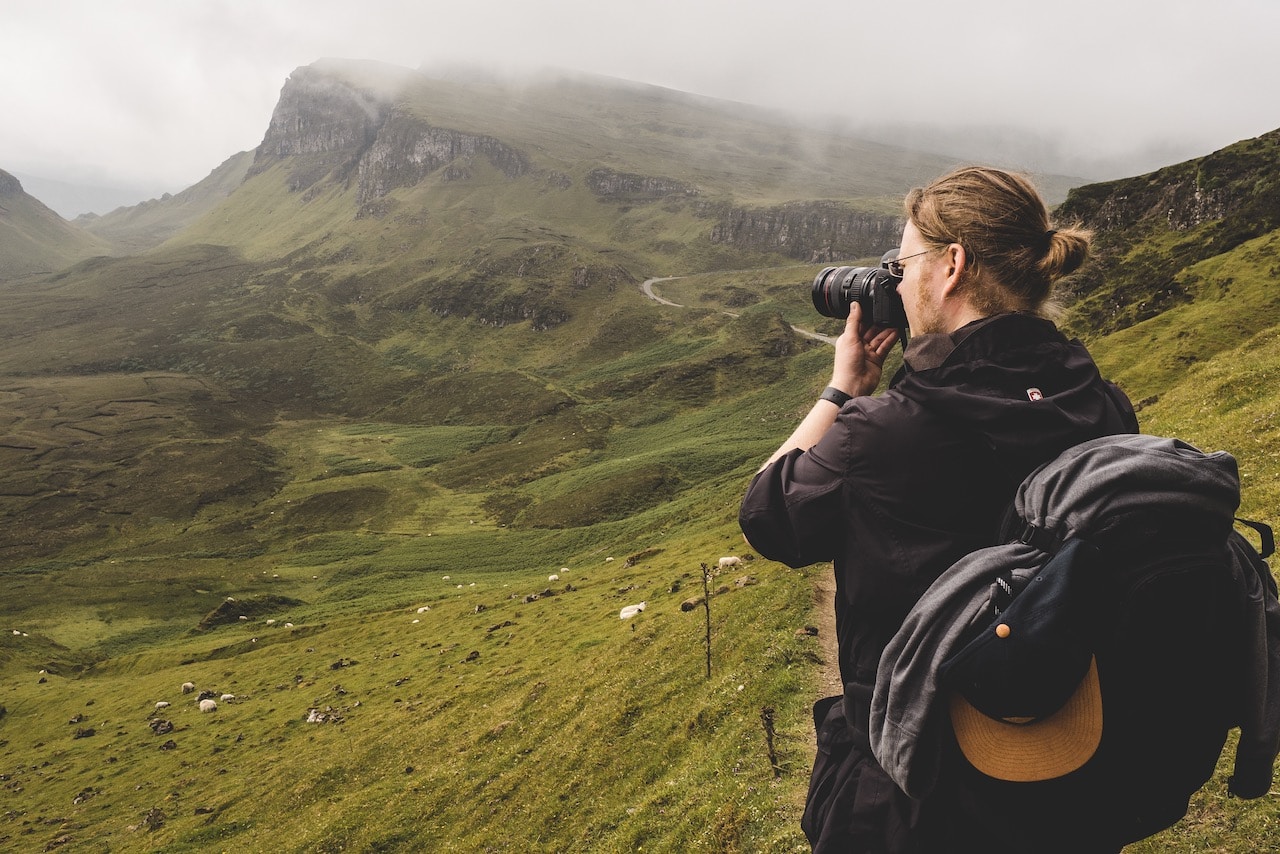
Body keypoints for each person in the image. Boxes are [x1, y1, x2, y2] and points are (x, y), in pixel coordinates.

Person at [738, 166, 1140, 852]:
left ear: (951, 265)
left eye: (902, 262)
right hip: (1062, 760)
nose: (894, 281)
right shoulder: (1101, 402)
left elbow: (769, 513)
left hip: (918, 785)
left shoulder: (889, 432)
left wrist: (843, 393)